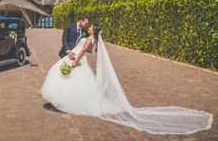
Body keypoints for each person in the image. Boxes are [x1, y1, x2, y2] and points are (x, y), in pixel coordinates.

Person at [41, 24, 213, 135]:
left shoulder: (88, 39)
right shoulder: (93, 40)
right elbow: (90, 51)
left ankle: (72, 102)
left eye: (91, 27)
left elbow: (82, 52)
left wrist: (73, 63)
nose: (90, 27)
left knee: (73, 83)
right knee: (82, 86)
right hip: (82, 62)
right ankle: (74, 100)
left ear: (93, 31)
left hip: (78, 61)